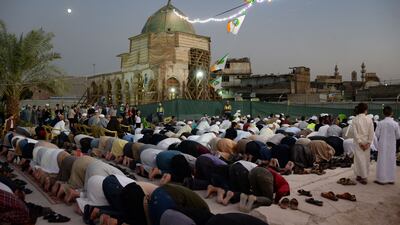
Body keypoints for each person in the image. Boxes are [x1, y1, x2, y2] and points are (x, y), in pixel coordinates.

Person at [375, 106, 400, 185]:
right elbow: (398, 136)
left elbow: (377, 134)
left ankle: (381, 179)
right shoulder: (395, 124)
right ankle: (391, 179)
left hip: (382, 145)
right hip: (392, 145)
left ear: (383, 113)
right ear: (392, 113)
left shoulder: (380, 123)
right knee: (391, 161)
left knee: (382, 161)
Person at [352, 103, 374, 184]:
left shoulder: (355, 119)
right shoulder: (369, 119)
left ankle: (360, 175)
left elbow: (355, 133)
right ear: (365, 110)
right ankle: (363, 176)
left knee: (358, 159)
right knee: (365, 159)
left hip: (359, 143)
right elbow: (371, 132)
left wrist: (360, 143)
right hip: (366, 142)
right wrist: (368, 143)